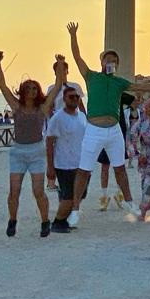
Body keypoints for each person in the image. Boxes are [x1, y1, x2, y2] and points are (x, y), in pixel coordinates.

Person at [66, 23, 150, 226]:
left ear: (117, 65)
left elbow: (142, 88)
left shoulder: (119, 82)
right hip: (93, 130)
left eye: (114, 61)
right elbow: (77, 58)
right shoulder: (92, 76)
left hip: (114, 131)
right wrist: (73, 35)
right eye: (108, 60)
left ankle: (129, 202)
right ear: (102, 62)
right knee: (84, 171)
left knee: (120, 169)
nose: (111, 63)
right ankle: (75, 210)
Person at [0, 49, 60, 238]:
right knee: (14, 191)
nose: (31, 91)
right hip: (18, 152)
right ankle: (12, 220)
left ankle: (45, 221)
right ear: (23, 91)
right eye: (28, 88)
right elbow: (3, 87)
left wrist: (60, 67)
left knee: (38, 191)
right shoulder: (16, 107)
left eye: (34, 88)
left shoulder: (43, 108)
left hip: (37, 151)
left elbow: (57, 87)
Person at [46, 85, 87, 233]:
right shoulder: (58, 118)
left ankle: (66, 219)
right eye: (71, 97)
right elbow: (49, 142)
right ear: (64, 99)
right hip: (64, 164)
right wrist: (50, 167)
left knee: (81, 194)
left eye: (77, 96)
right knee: (69, 197)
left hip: (81, 164)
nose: (75, 99)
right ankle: (58, 222)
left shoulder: (82, 116)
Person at [44, 57, 84, 192]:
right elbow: (49, 106)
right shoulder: (52, 88)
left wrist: (84, 121)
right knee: (53, 151)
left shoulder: (75, 87)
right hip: (57, 121)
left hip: (73, 122)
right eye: (58, 71)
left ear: (67, 71)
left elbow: (81, 106)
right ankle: (51, 181)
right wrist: (52, 121)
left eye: (63, 70)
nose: (61, 73)